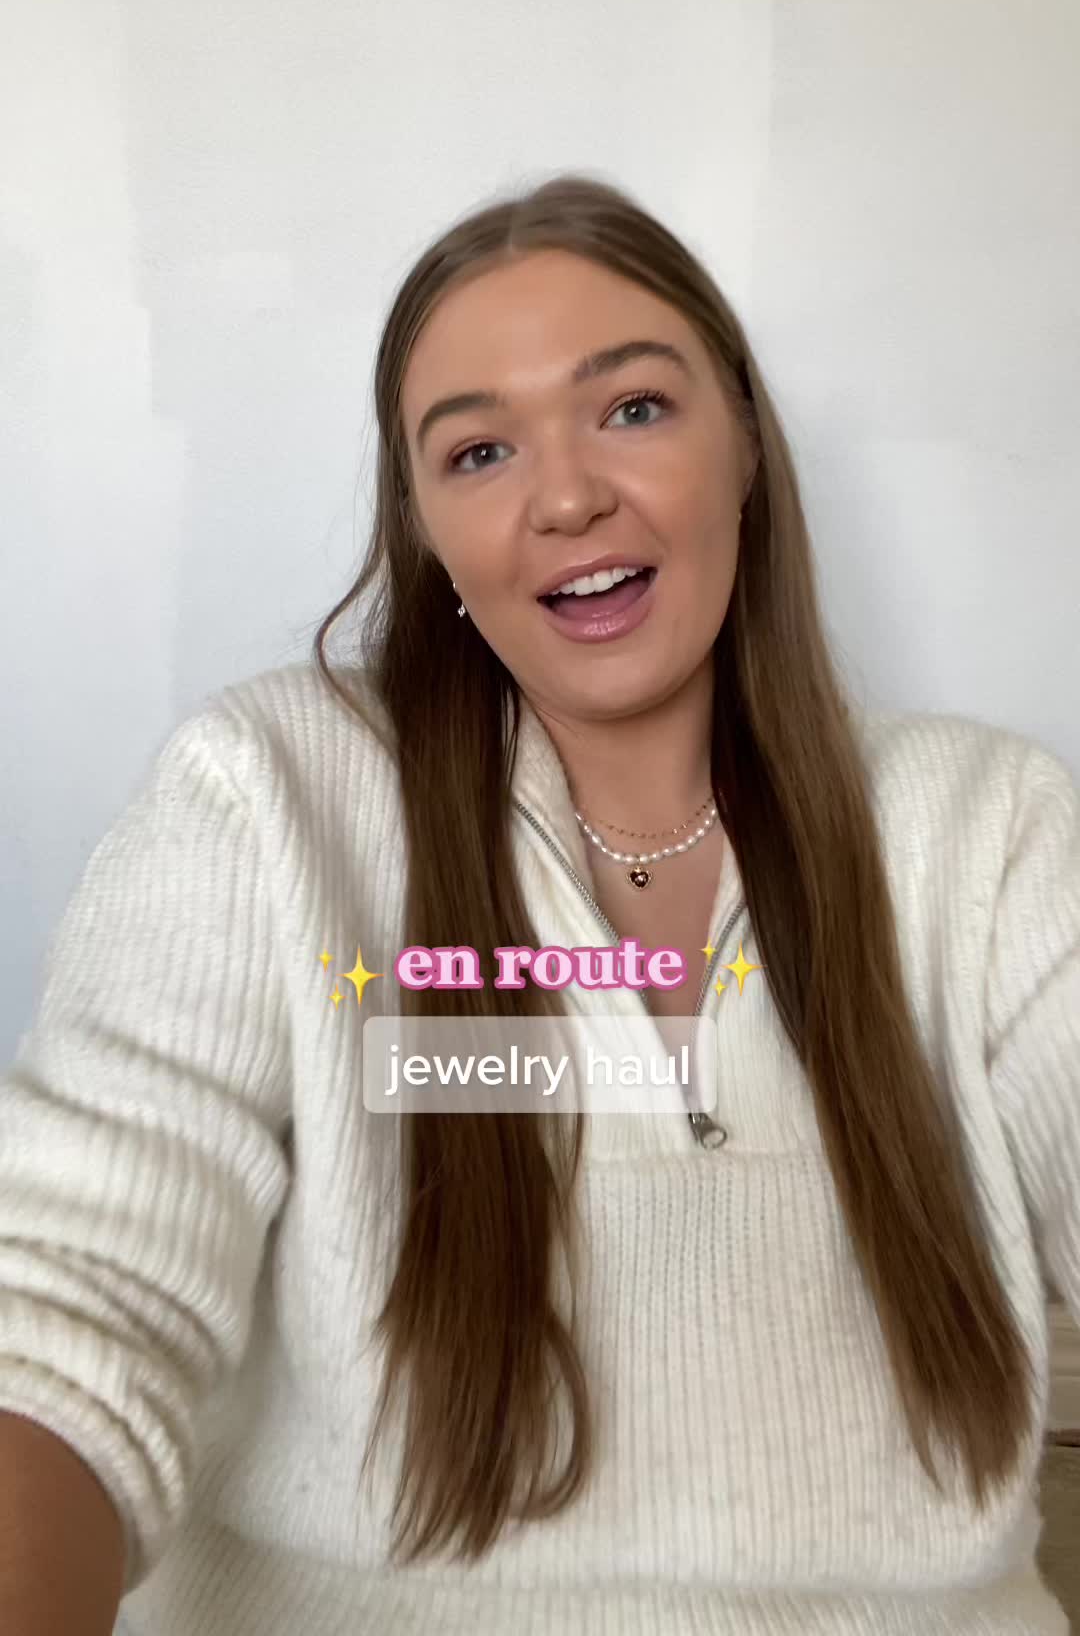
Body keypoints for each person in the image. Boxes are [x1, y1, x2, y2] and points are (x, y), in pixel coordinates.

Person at [1, 173, 1078, 1636]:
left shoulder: (990, 833)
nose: (567, 498)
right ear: (428, 529)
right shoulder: (264, 800)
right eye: (480, 450)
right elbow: (62, 1315)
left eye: (632, 407)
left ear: (744, 446)